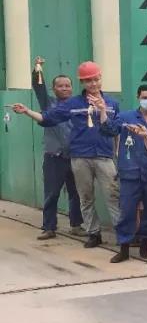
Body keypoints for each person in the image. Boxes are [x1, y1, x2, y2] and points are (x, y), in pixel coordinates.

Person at [14, 61, 120, 248]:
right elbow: (48, 118)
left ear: (100, 79)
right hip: (79, 157)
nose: (93, 84)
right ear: (82, 83)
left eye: (95, 79)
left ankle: (123, 234)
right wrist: (27, 111)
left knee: (113, 195)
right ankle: (93, 233)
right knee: (85, 197)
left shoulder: (112, 104)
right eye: (88, 81)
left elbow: (114, 130)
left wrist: (103, 111)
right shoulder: (73, 104)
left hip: (104, 157)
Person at [101, 85, 147, 263]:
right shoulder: (126, 117)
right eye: (144, 97)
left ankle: (144, 246)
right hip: (130, 174)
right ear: (138, 97)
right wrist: (102, 111)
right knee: (127, 211)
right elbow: (109, 130)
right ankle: (124, 248)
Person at [29, 56, 84, 240]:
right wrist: (38, 69)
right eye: (60, 86)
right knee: (52, 193)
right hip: (54, 157)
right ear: (54, 89)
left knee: (76, 193)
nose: (64, 88)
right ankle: (49, 227)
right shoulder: (48, 103)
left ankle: (76, 225)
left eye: (67, 85)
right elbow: (38, 87)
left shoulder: (77, 105)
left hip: (75, 156)